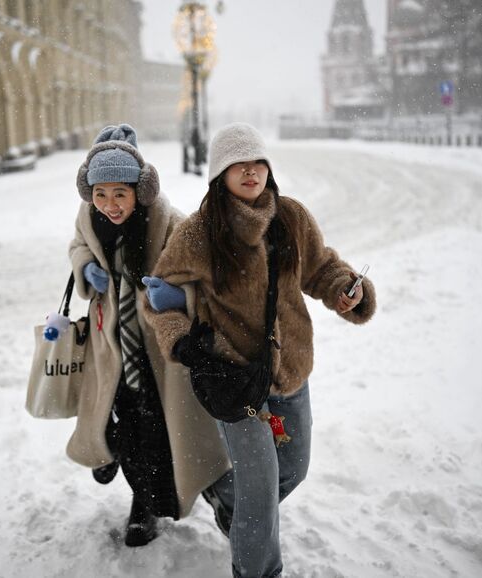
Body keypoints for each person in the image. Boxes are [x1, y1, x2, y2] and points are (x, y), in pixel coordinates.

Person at [143, 122, 376, 576]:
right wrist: (182, 341)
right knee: (260, 486)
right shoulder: (199, 233)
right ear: (219, 175)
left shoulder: (291, 217)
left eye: (258, 163)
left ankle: (223, 497)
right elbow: (157, 296)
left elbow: (321, 267)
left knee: (292, 469)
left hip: (290, 371)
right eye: (238, 166)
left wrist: (348, 290)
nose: (251, 172)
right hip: (233, 378)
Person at [66, 124, 230, 547]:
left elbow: (205, 279)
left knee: (155, 427)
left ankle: (148, 503)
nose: (110, 205)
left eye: (119, 193)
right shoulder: (90, 219)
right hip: (110, 344)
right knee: (120, 416)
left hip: (155, 351)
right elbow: (77, 244)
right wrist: (86, 267)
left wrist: (177, 293)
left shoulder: (172, 224)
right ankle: (112, 453)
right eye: (100, 194)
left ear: (141, 189)